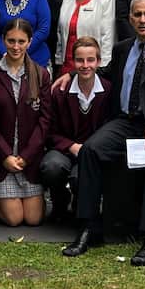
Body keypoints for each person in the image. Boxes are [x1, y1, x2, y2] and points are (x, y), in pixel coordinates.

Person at [62, 0, 145, 266]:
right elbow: (104, 73)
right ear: (130, 18)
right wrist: (72, 74)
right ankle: (89, 227)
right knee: (91, 151)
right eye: (137, 15)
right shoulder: (123, 49)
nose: (142, 20)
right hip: (125, 122)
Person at [0, 18, 52, 226]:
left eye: (21, 41)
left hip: (29, 160)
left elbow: (45, 121)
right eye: (11, 41)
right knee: (14, 220)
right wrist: (4, 156)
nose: (16, 47)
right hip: (3, 160)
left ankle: (26, 198)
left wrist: (26, 157)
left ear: (29, 42)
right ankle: (1, 201)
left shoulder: (41, 74)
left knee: (34, 219)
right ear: (3, 40)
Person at [41, 37, 113, 223]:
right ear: (73, 62)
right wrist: (72, 146)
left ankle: (81, 206)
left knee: (81, 176)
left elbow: (111, 129)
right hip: (64, 149)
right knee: (52, 166)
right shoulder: (59, 92)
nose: (85, 65)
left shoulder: (109, 91)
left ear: (98, 61)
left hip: (93, 151)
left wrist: (88, 150)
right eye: (80, 60)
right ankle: (59, 203)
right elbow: (49, 131)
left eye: (90, 60)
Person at [54, 0, 115, 72]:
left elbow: (107, 39)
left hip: (90, 68)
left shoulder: (106, 0)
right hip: (66, 66)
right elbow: (60, 34)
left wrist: (102, 69)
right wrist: (58, 63)